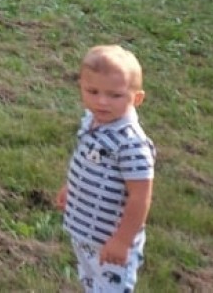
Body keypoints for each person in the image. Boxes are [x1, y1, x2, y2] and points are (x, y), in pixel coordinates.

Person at [56, 45, 155, 291]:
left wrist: (122, 241)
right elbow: (90, 161)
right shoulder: (93, 122)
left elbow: (140, 197)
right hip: (87, 232)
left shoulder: (131, 144)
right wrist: (73, 188)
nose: (101, 101)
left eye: (115, 95)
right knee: (92, 283)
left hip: (110, 239)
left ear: (137, 98)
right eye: (92, 91)